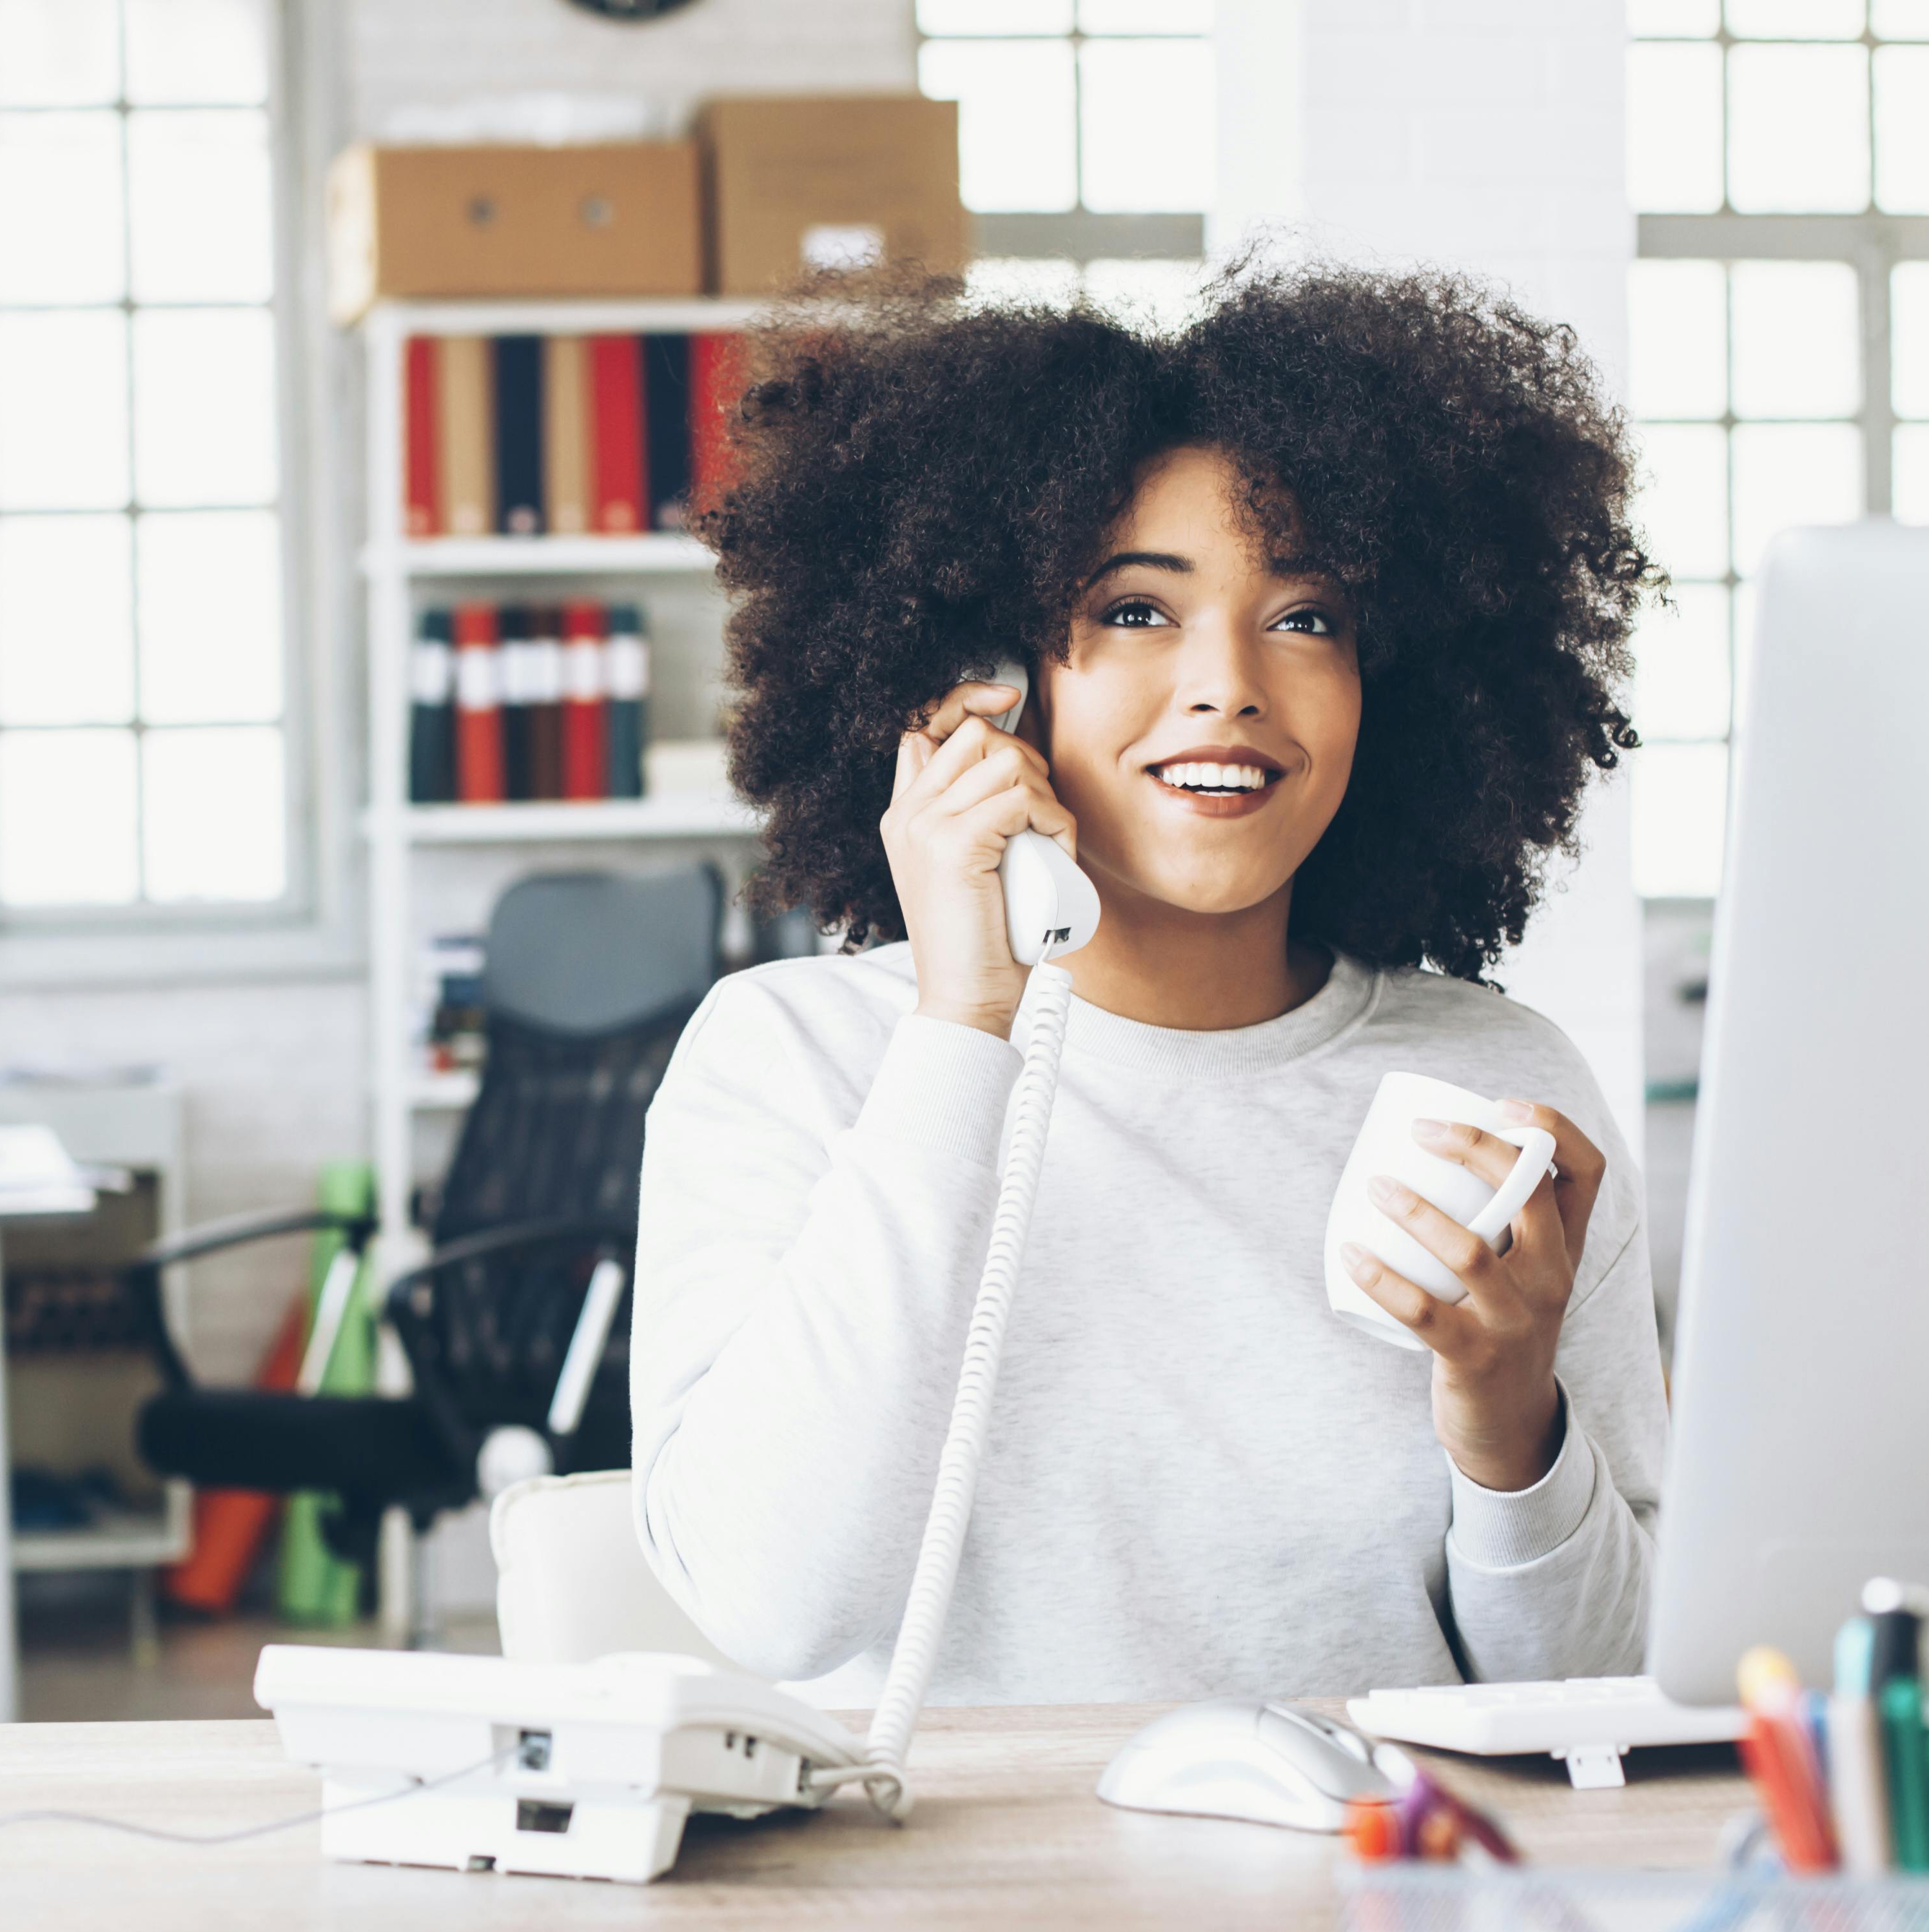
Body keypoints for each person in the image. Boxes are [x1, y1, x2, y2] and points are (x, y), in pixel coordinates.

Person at [630, 259, 1666, 1704]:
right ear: (980, 683)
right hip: (961, 1917)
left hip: (1377, 1895)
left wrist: (1510, 1433)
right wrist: (963, 1025)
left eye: (1307, 617)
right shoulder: (793, 1059)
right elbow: (775, 1606)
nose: (1229, 682)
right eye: (1134, 610)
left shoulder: (1502, 1092)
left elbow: (1606, 1701)